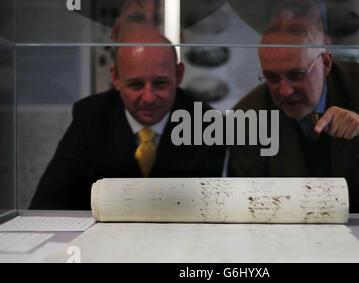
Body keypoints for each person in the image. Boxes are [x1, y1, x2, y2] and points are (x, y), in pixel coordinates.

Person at [228, 0, 359, 216]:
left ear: (326, 63)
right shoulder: (248, 115)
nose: (284, 91)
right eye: (272, 77)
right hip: (287, 226)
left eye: (297, 75)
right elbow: (247, 206)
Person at [30, 26, 225, 210]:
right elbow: (47, 201)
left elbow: (207, 210)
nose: (149, 97)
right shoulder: (91, 116)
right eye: (136, 85)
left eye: (160, 83)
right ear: (116, 78)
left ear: (179, 75)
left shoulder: (206, 124)